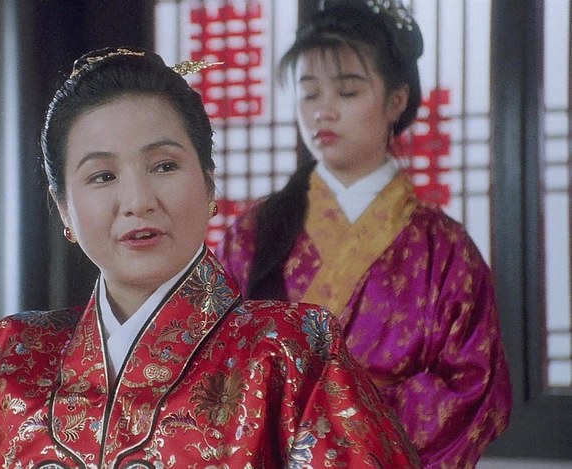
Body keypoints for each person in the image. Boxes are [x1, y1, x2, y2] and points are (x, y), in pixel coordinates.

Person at [0, 46, 420, 468]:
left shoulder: (294, 352)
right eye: (101, 177)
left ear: (209, 184)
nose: (137, 201)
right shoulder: (6, 360)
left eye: (164, 166)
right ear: (64, 210)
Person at [214, 1, 512, 468]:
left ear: (396, 101)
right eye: (309, 93)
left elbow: (472, 384)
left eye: (347, 91)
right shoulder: (250, 236)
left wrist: (337, 436)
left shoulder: (447, 251)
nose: (322, 111)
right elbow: (214, 367)